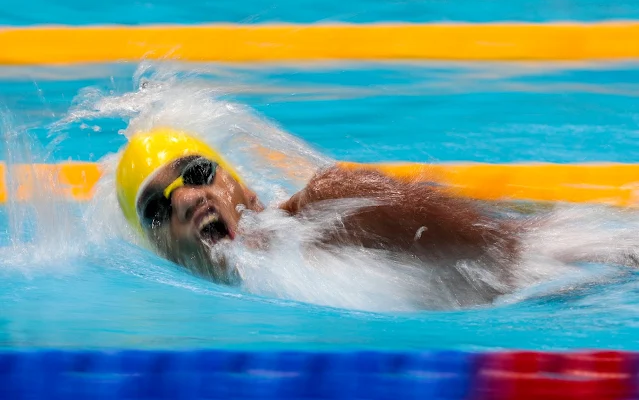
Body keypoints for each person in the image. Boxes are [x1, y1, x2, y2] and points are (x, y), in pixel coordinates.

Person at [116, 127, 520, 287]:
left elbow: (513, 258)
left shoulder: (332, 208)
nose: (186, 199)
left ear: (247, 190)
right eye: (156, 210)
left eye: (199, 172)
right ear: (162, 253)